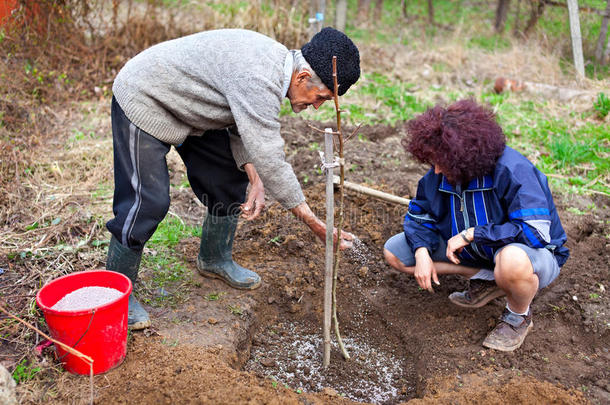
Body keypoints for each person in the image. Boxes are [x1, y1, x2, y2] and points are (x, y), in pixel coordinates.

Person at [105, 28, 360, 329]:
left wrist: (255, 177)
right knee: (147, 202)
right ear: (303, 77)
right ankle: (115, 296)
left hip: (193, 105)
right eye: (321, 97)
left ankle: (213, 259)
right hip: (146, 97)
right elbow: (269, 155)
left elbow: (243, 125)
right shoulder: (259, 75)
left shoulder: (276, 71)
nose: (316, 106)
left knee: (227, 179)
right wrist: (316, 224)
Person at [383, 99, 569, 352]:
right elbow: (419, 216)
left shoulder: (513, 171)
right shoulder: (437, 177)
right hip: (481, 255)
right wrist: (422, 252)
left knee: (512, 260)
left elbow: (535, 232)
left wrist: (473, 234)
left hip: (532, 257)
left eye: (441, 162)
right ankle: (488, 280)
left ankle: (517, 317)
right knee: (396, 252)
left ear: (463, 157)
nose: (435, 169)